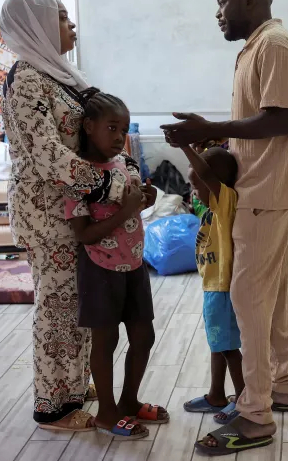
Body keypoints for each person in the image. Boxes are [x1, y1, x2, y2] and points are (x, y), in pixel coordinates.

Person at [161, 0, 288, 456]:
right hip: (263, 188)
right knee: (271, 298)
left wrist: (215, 127)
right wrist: (218, 137)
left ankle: (255, 416)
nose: (218, 14)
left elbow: (279, 118)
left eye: (224, 4)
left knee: (248, 302)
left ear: (250, 0)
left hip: (265, 192)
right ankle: (283, 387)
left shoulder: (274, 46)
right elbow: (261, 123)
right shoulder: (257, 46)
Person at [0, 0, 157, 431]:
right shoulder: (26, 78)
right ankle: (53, 407)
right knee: (58, 308)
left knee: (80, 306)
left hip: (79, 208)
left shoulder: (62, 75)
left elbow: (102, 134)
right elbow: (48, 156)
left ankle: (72, 383)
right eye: (62, 18)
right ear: (36, 26)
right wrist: (110, 183)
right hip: (49, 214)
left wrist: (123, 171)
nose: (72, 26)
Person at [64, 88, 168, 439]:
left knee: (144, 336)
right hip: (99, 270)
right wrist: (126, 210)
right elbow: (84, 234)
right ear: (89, 126)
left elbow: (138, 200)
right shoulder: (79, 175)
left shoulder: (125, 164)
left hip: (134, 265)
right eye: (112, 128)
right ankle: (107, 413)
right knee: (105, 342)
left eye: (123, 130)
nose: (119, 137)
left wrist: (146, 198)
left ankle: (128, 401)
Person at [180, 146, 245, 426]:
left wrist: (185, 146)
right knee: (218, 344)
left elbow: (207, 174)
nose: (194, 193)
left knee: (228, 347)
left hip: (222, 288)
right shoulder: (209, 209)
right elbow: (204, 175)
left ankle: (243, 400)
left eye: (197, 186)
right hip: (212, 287)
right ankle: (216, 394)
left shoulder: (224, 201)